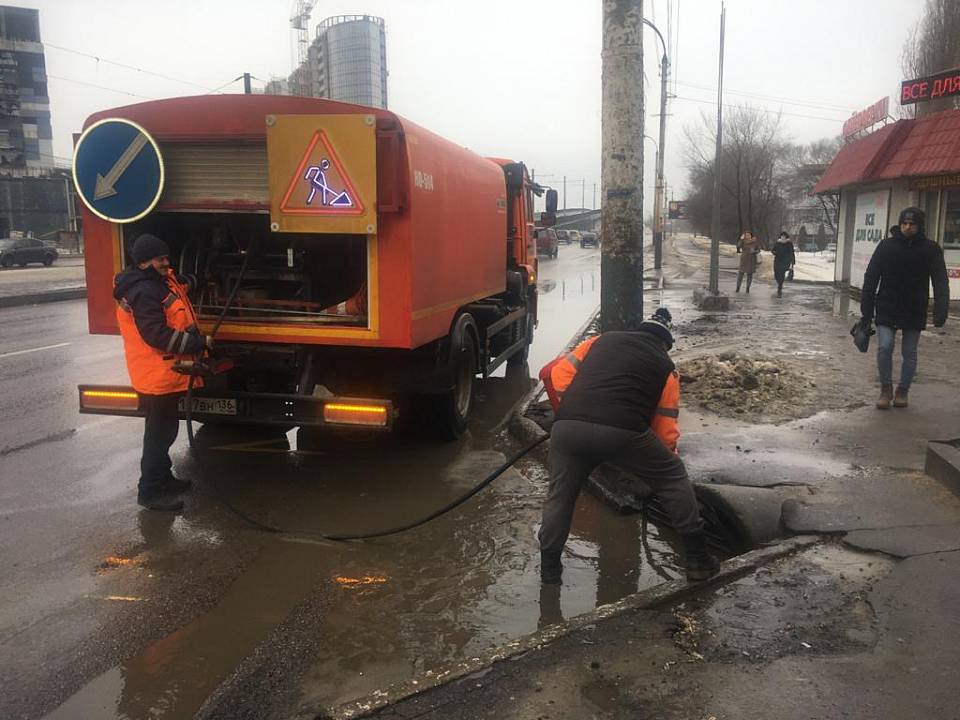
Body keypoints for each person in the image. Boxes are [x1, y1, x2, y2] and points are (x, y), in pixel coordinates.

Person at [538, 308, 720, 585]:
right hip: (622, 430)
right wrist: (661, 458)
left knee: (560, 497)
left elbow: (557, 374)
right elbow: (665, 426)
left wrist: (575, 410)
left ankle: (550, 571)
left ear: (637, 330)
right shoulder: (665, 367)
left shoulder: (600, 340)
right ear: (665, 344)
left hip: (567, 428)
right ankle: (697, 560)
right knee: (672, 476)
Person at [113, 234, 212, 511]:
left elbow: (179, 286)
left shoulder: (158, 282)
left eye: (167, 258)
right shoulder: (144, 291)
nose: (166, 264)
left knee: (166, 430)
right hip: (156, 374)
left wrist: (200, 278)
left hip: (165, 373)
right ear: (144, 262)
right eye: (160, 259)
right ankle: (150, 491)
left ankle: (163, 479)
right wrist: (197, 343)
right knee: (158, 435)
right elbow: (156, 334)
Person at [861, 207, 949, 409]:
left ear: (920, 226)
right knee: (885, 347)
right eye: (904, 223)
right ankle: (885, 389)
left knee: (909, 352)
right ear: (900, 224)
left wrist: (940, 310)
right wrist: (867, 311)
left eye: (912, 224)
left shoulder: (931, 249)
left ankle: (903, 391)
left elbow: (940, 281)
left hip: (914, 308)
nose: (908, 227)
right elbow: (871, 277)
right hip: (887, 306)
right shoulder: (886, 247)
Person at [771, 231, 796, 298]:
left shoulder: (789, 243)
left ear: (786, 237)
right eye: (782, 236)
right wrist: (774, 252)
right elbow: (773, 250)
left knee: (781, 274)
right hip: (777, 261)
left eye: (784, 236)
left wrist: (793, 261)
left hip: (785, 261)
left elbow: (791, 252)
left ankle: (780, 288)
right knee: (776, 274)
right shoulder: (777, 243)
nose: (783, 237)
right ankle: (779, 284)